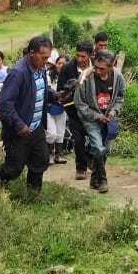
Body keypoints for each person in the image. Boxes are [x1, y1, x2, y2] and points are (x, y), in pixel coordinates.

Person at [0, 35, 55, 195]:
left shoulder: (40, 69)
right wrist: (19, 125)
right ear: (32, 53)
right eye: (43, 57)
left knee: (40, 161)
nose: (46, 61)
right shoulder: (18, 73)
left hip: (36, 127)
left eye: (47, 57)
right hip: (19, 130)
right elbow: (5, 103)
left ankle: (33, 195)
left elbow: (41, 91)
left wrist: (56, 96)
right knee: (14, 168)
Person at [75, 49, 125, 193]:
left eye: (102, 68)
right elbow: (79, 103)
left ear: (111, 66)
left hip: (109, 118)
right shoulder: (85, 77)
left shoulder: (118, 77)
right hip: (91, 119)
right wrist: (97, 116)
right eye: (96, 67)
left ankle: (94, 177)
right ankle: (103, 180)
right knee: (98, 147)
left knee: (106, 149)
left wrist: (113, 112)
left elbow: (120, 97)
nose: (97, 70)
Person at [58, 42, 94, 180]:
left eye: (83, 56)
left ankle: (90, 158)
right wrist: (71, 89)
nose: (80, 59)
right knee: (78, 139)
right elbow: (60, 90)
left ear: (90, 55)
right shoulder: (67, 68)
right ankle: (81, 168)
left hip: (93, 110)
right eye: (77, 55)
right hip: (74, 110)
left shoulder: (96, 66)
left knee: (94, 137)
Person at [45, 55, 69, 164]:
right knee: (51, 133)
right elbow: (48, 91)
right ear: (55, 64)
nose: (61, 66)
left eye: (64, 64)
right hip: (49, 108)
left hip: (61, 109)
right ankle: (48, 155)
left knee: (60, 132)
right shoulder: (48, 75)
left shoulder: (68, 78)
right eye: (59, 63)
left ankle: (58, 155)